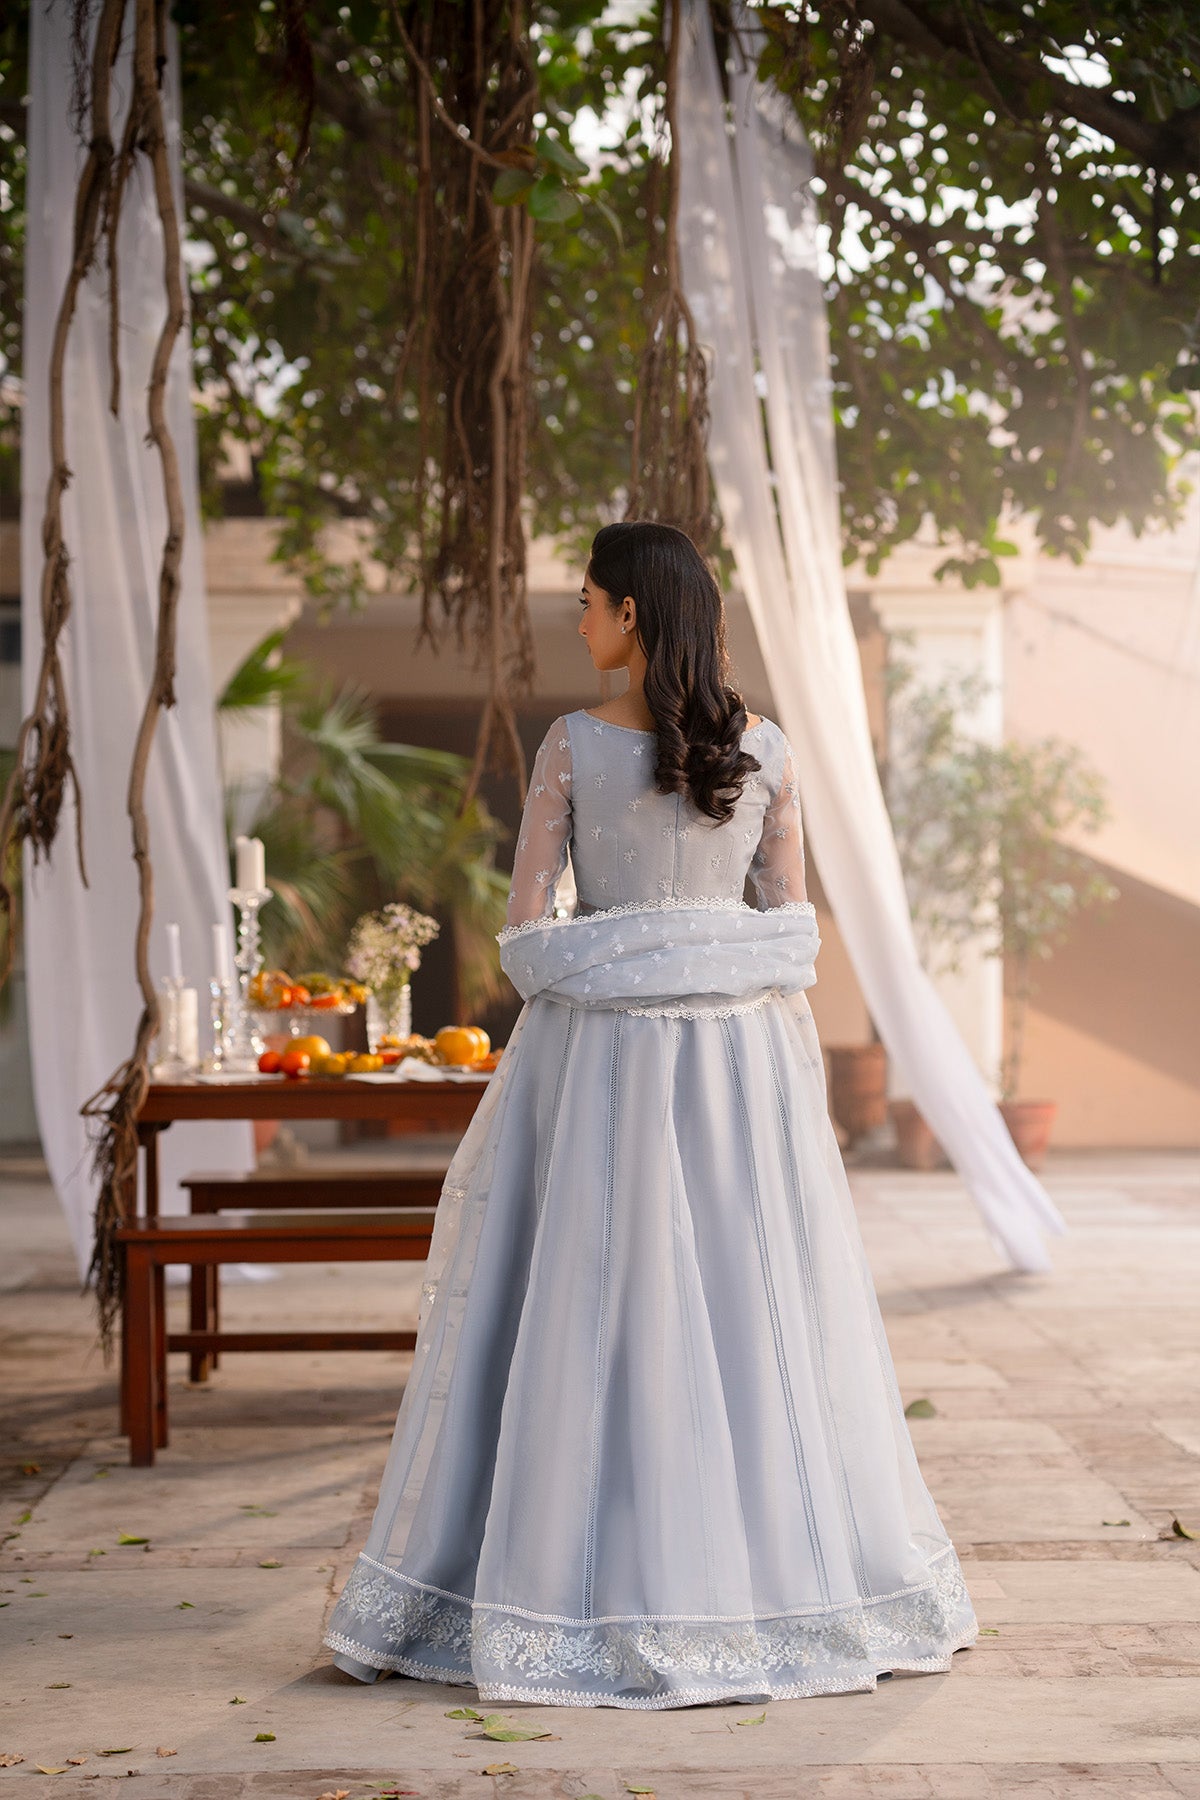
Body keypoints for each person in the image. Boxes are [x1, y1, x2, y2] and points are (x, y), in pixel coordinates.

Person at [322, 520, 978, 1709]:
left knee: (589, 1296)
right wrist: (702, 957)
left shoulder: (569, 745)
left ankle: (563, 1574)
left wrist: (622, 959)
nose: (577, 622)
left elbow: (530, 939)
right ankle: (769, 1572)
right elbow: (789, 932)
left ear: (632, 614)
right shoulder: (765, 749)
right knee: (740, 1300)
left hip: (604, 1067)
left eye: (587, 602)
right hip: (737, 1069)